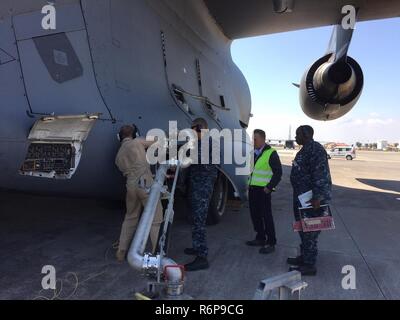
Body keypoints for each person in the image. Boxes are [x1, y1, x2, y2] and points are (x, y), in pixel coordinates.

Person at [114, 125, 163, 262]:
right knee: (155, 219)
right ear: (135, 134)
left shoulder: (118, 155)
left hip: (130, 187)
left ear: (119, 137)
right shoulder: (137, 142)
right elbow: (157, 140)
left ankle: (121, 251)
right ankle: (157, 254)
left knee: (130, 217)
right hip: (145, 184)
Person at [288, 125, 332, 276]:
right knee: (303, 229)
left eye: (297, 134)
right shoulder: (306, 148)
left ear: (306, 135)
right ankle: (304, 257)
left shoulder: (315, 149)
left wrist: (318, 197)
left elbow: (321, 174)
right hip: (302, 199)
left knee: (310, 232)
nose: (295, 137)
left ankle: (309, 265)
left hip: (311, 201)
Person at [184, 118, 218, 271]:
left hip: (202, 189)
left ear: (200, 129)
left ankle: (202, 257)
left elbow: (191, 158)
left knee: (199, 222)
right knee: (195, 219)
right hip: (197, 186)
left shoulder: (206, 143)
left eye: (193, 130)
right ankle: (197, 247)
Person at [246, 129, 283, 254]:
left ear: (262, 139)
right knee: (255, 215)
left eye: (255, 139)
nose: (253, 141)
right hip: (253, 189)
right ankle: (260, 238)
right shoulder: (254, 153)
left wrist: (270, 187)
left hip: (263, 191)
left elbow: (278, 173)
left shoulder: (271, 153)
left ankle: (271, 242)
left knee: (266, 217)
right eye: (253, 138)